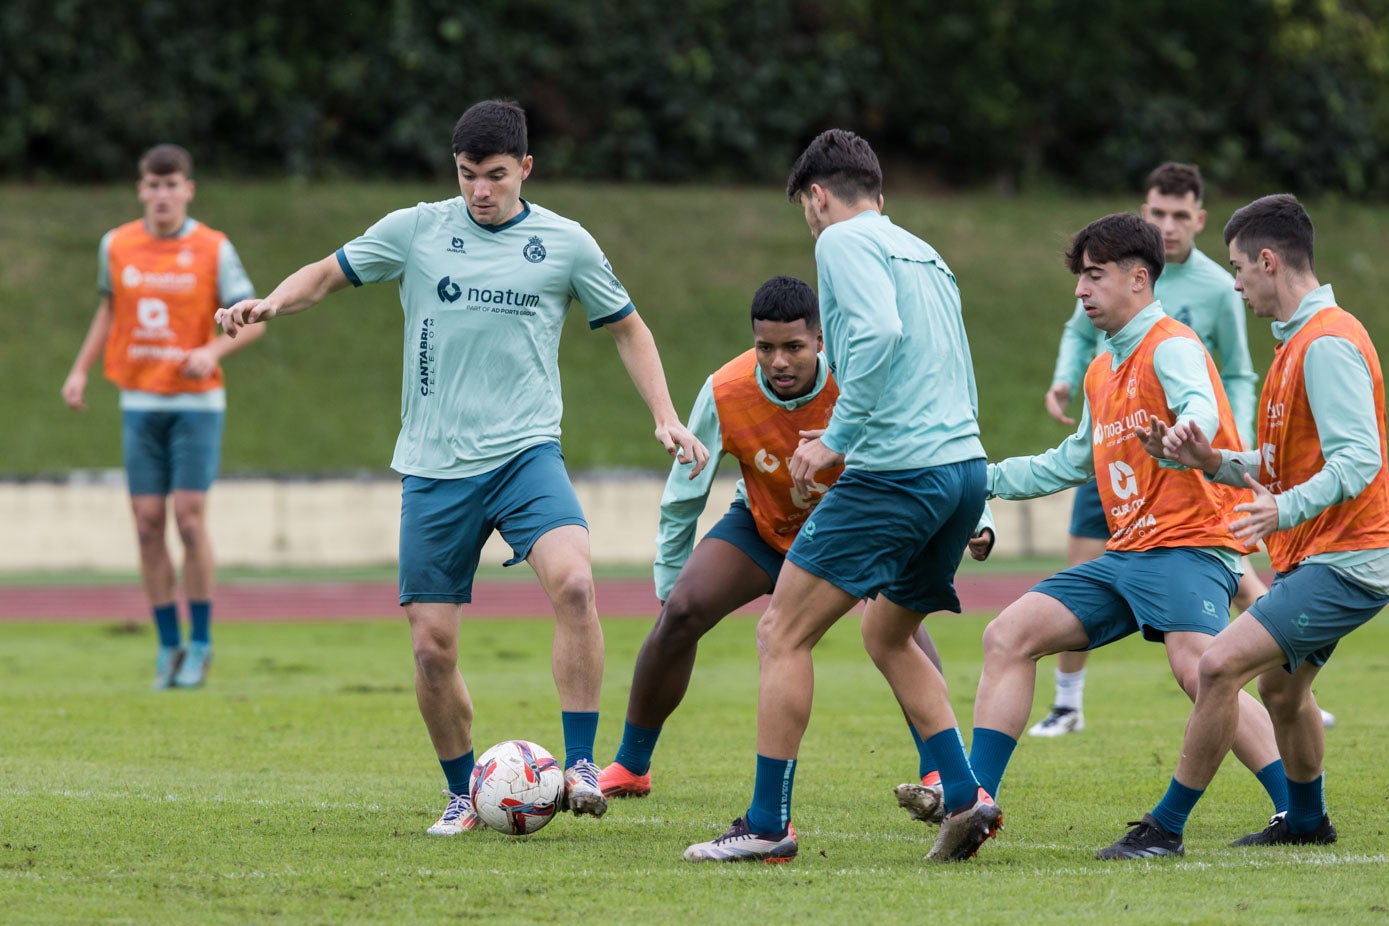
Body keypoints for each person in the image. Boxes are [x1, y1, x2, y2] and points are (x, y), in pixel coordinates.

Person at [214, 100, 708, 835]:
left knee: (574, 582)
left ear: (526, 170)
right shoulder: (416, 229)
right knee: (431, 649)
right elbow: (325, 273)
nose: (481, 190)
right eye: (469, 175)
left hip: (524, 454)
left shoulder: (565, 244)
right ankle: (461, 791)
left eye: (497, 176)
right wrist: (270, 306)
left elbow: (628, 328)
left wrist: (665, 415)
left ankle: (577, 765)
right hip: (434, 466)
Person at [923, 213, 1290, 849]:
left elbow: (1198, 400)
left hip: (1189, 543)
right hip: (1126, 555)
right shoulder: (1102, 368)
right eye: (1079, 278)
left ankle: (1295, 810)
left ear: (1139, 278)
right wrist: (982, 476)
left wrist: (1188, 430)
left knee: (1202, 670)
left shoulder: (1170, 345)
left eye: (1094, 276)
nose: (1080, 291)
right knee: (1008, 634)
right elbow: (1071, 461)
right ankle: (976, 805)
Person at [683, 129, 1000, 864]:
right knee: (885, 633)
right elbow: (952, 365)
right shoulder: (924, 251)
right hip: (960, 468)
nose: (810, 222)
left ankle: (767, 825)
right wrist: (972, 482)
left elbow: (880, 334)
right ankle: (964, 794)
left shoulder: (841, 242)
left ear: (817, 196)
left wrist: (836, 436)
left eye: (806, 209)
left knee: (781, 633)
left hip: (898, 473)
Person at [598, 275, 986, 802]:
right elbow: (685, 490)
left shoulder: (861, 382)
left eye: (794, 347)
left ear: (822, 342)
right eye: (765, 347)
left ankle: (939, 768)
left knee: (899, 628)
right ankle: (630, 765)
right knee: (683, 611)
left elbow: (931, 445)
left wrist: (979, 519)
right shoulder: (726, 389)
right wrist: (669, 582)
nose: (778, 361)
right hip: (764, 528)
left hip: (852, 534)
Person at [1098, 194, 1389, 859]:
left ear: (1266, 260)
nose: (1233, 282)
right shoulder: (1295, 344)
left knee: (1218, 665)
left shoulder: (1327, 342)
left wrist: (1281, 508)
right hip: (1325, 554)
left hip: (1346, 558)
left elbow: (1359, 458)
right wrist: (1210, 461)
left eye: (1236, 267)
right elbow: (1285, 459)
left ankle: (1163, 828)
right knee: (1281, 693)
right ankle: (1306, 821)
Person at [1030, 162, 1287, 737]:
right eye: (1158, 213)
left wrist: (1219, 438)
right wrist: (1065, 380)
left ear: (1198, 219)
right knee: (1074, 578)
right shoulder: (1105, 278)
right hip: (1113, 447)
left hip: (1183, 460)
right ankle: (1067, 703)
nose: (1168, 224)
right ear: (1145, 214)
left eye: (1179, 215)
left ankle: (1286, 687)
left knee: (1227, 576)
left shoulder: (1219, 290)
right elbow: (1080, 334)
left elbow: (1233, 375)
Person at [61, 143, 263, 690]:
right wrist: (80, 370)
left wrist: (213, 353)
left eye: (171, 185)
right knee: (148, 525)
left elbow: (255, 317)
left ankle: (200, 643)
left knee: (189, 519)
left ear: (188, 190)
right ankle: (168, 648)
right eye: (152, 185)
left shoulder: (213, 248)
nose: (161, 195)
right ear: (140, 189)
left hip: (196, 406)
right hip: (139, 402)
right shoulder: (117, 244)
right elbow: (110, 310)